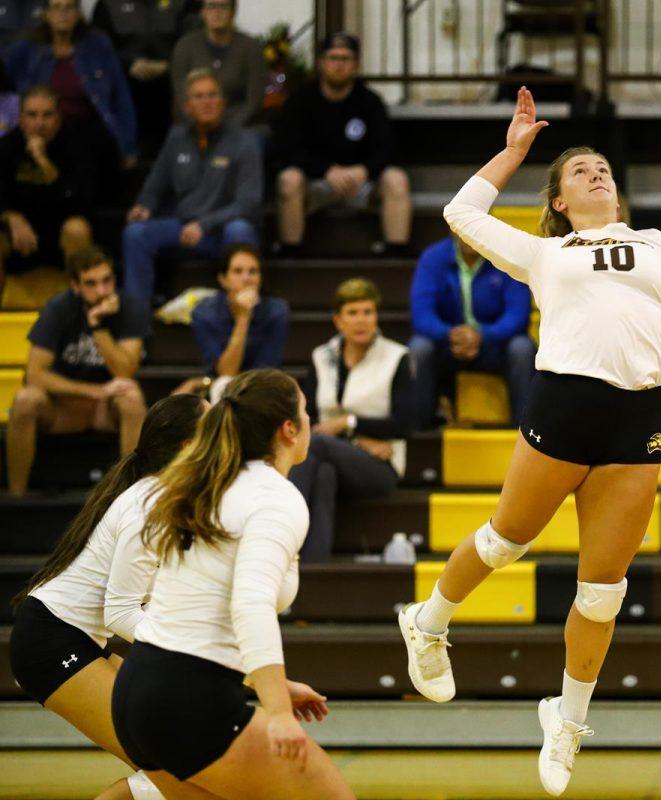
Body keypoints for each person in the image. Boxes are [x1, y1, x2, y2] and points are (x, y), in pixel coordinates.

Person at [396, 87, 661, 797]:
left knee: (602, 592)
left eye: (603, 167)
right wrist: (512, 153)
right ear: (561, 201)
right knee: (508, 540)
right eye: (580, 171)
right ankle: (428, 621)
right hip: (565, 403)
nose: (597, 173)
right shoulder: (544, 253)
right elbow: (460, 213)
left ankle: (566, 719)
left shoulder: (655, 246)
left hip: (638, 419)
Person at [110, 368, 354, 799]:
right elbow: (250, 604)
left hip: (138, 690)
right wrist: (277, 712)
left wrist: (271, 684)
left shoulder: (209, 482)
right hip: (190, 700)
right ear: (289, 429)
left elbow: (200, 616)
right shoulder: (275, 498)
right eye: (305, 411)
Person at [8, 394, 207, 800]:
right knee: (180, 773)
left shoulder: (173, 500)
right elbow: (119, 613)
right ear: (189, 447)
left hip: (74, 638)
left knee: (192, 765)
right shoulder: (152, 505)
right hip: (52, 641)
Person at [289, 278, 416, 563]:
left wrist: (349, 424)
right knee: (323, 474)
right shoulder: (321, 357)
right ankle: (312, 568)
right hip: (337, 453)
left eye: (368, 312)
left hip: (381, 465)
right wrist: (361, 441)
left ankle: (279, 530)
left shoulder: (397, 357)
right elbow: (311, 417)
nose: (362, 320)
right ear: (338, 320)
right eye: (353, 313)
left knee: (316, 445)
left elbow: (405, 423)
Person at [6, 246, 149, 497]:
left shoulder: (130, 307)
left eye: (107, 281)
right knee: (25, 400)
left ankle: (131, 498)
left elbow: (125, 371)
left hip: (106, 408)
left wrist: (98, 326)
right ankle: (16, 498)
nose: (102, 291)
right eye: (91, 284)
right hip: (62, 408)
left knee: (132, 397)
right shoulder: (57, 309)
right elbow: (35, 375)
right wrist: (95, 391)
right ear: (75, 286)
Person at [122, 68, 260, 308]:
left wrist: (205, 224)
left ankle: (240, 310)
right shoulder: (176, 138)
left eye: (212, 95)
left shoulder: (245, 141)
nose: (206, 102)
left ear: (223, 102)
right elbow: (156, 183)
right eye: (198, 96)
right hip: (183, 226)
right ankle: (136, 321)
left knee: (240, 230)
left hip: (221, 230)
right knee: (135, 233)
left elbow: (248, 202)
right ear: (187, 106)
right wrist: (144, 206)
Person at [274, 32, 410, 256]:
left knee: (397, 180)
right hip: (316, 183)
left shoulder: (370, 102)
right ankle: (291, 254)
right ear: (321, 63)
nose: (339, 65)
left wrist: (363, 170)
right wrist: (325, 171)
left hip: (360, 183)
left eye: (346, 59)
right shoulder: (300, 101)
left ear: (356, 64)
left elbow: (386, 148)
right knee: (288, 180)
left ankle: (396, 253)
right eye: (333, 58)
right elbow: (288, 148)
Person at [409, 232, 535, 428]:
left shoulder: (507, 256)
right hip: (448, 345)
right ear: (453, 229)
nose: (468, 234)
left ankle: (525, 429)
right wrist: (450, 334)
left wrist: (482, 335)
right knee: (419, 348)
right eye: (462, 227)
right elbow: (422, 314)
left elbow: (517, 314)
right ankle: (420, 433)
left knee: (522, 348)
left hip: (493, 346)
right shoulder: (433, 257)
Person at [3, 0, 136, 166]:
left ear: (78, 13)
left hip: (88, 134)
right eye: (56, 8)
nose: (63, 14)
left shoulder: (99, 46)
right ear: (45, 14)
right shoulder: (26, 49)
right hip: (40, 134)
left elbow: (121, 98)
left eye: (69, 7)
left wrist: (128, 146)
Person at [0, 85, 96, 306]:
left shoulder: (77, 145)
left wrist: (44, 162)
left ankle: (82, 312)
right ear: (21, 118)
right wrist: (10, 216)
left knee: (78, 228)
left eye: (47, 115)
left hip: (59, 234)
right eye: (32, 115)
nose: (39, 123)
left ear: (58, 118)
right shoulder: (6, 147)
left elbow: (82, 202)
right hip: (19, 237)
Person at [92, 0, 195, 152]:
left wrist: (168, 65)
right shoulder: (107, 4)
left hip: (171, 89)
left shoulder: (185, 3)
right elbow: (97, 48)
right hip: (124, 89)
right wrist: (127, 64)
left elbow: (195, 44)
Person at [188, 245, 287, 386]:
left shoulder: (276, 311)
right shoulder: (204, 313)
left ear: (260, 278)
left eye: (253, 271)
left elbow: (266, 372)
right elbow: (225, 373)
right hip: (219, 387)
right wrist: (243, 319)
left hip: (263, 387)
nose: (246, 278)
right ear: (223, 279)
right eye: (237, 271)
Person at [170, 0, 263, 130]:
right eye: (211, 6)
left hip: (240, 126)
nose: (217, 12)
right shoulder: (184, 47)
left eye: (223, 6)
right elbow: (181, 98)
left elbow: (254, 102)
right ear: (202, 11)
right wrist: (201, 125)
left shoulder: (251, 47)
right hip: (194, 126)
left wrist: (225, 130)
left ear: (233, 12)